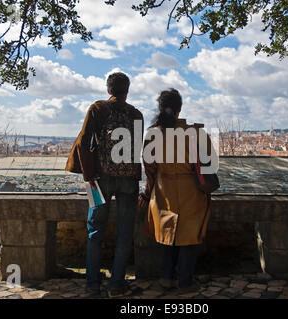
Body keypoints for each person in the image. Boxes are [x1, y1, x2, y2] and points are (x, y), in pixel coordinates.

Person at [66, 72, 144, 298]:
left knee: (95, 230)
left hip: (100, 180)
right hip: (128, 180)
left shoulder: (98, 109)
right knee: (124, 232)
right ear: (127, 91)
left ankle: (92, 285)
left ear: (109, 90)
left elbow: (83, 143)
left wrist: (88, 175)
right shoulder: (136, 114)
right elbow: (137, 148)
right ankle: (116, 284)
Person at [138, 88, 212, 294]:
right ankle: (185, 281)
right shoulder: (196, 133)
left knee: (168, 233)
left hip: (163, 190)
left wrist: (147, 192)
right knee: (188, 236)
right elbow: (209, 166)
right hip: (192, 190)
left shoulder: (153, 134)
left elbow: (149, 169)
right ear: (180, 109)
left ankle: (166, 277)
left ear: (160, 108)